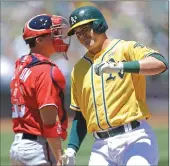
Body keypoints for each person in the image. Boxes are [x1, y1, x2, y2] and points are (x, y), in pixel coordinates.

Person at [62, 6, 168, 166]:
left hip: (134, 137)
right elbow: (80, 115)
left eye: (85, 29)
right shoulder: (78, 69)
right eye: (78, 33)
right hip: (101, 147)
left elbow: (161, 63)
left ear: (99, 25)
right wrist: (71, 148)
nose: (82, 36)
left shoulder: (125, 48)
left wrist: (122, 66)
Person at [9, 13, 71, 166]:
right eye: (53, 34)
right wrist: (59, 157)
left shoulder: (22, 64)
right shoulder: (44, 70)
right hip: (38, 148)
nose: (59, 37)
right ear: (39, 40)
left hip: (18, 146)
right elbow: (49, 121)